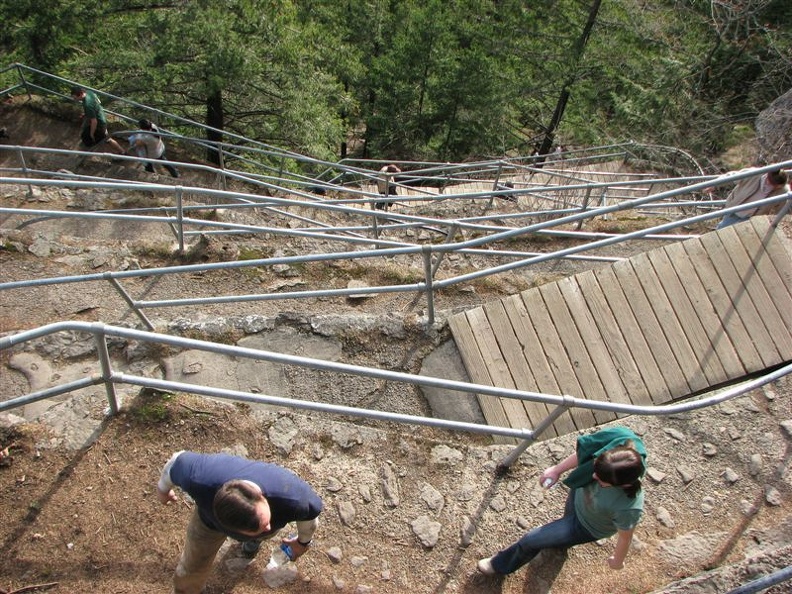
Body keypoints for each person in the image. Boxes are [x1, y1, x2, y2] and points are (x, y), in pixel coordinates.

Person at [477, 426, 647, 576]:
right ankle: (560, 543)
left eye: (602, 481)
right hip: (578, 500)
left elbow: (625, 538)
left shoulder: (628, 508)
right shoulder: (617, 445)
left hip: (585, 527)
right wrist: (556, 470)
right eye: (595, 470)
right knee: (561, 531)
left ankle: (499, 565)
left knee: (530, 540)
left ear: (624, 484)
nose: (594, 476)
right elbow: (584, 455)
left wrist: (617, 561)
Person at [157, 450, 323, 594]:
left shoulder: (292, 496)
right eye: (262, 526)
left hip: (258, 514)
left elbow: (309, 520)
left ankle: (252, 544)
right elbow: (174, 463)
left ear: (260, 497)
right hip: (208, 524)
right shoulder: (199, 479)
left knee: (262, 534)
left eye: (265, 521)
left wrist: (302, 543)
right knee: (192, 566)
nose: (269, 526)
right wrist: (162, 489)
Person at [717, 168, 790, 229]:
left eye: (773, 185)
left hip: (752, 218)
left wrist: (778, 223)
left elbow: (782, 209)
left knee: (741, 237)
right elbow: (732, 176)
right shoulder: (755, 173)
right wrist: (716, 184)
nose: (768, 184)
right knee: (722, 228)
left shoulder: (783, 192)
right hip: (734, 210)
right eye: (769, 181)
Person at [70, 86, 124, 154]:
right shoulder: (89, 92)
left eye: (75, 97)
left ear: (80, 94)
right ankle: (121, 151)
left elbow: (94, 121)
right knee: (87, 133)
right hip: (101, 117)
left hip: (99, 123)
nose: (75, 99)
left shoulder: (88, 105)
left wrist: (91, 134)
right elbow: (98, 102)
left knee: (106, 139)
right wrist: (87, 113)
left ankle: (122, 152)